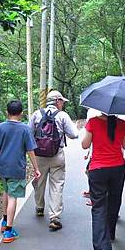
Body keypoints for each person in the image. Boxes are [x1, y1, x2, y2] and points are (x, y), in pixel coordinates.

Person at [0, 100, 41, 243]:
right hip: (16, 168)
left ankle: (4, 222)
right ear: (21, 113)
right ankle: (9, 231)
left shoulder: (1, 128)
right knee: (12, 197)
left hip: (2, 167)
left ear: (7, 112)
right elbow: (30, 150)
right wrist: (36, 168)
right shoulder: (24, 129)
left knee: (6, 192)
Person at [81, 112, 125, 250]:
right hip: (118, 168)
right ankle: (110, 233)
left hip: (98, 169)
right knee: (114, 201)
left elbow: (84, 145)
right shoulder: (122, 124)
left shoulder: (93, 122)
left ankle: (100, 246)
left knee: (98, 206)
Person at [28, 90, 79, 231]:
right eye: (62, 101)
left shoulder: (37, 114)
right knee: (57, 185)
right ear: (57, 101)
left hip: (39, 155)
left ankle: (39, 207)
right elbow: (75, 134)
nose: (62, 104)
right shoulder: (62, 116)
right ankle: (55, 217)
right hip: (57, 155)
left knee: (39, 181)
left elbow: (28, 133)